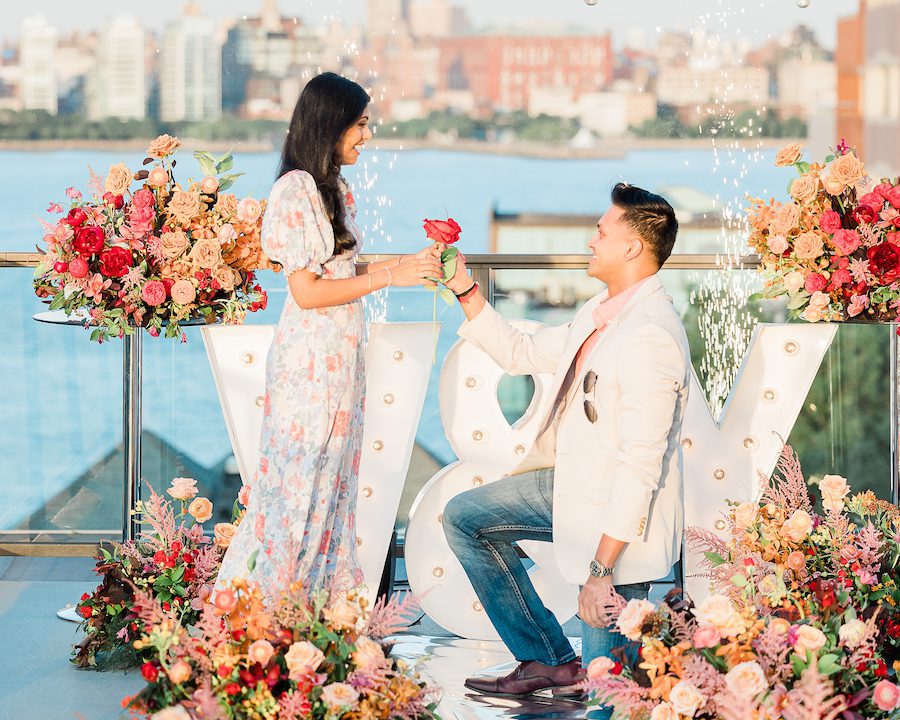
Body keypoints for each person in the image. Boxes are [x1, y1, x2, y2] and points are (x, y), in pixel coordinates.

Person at [441, 183, 690, 709]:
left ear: (631, 248)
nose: (591, 240)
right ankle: (549, 660)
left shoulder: (651, 335)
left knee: (609, 700)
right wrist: (464, 289)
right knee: (464, 518)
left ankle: (578, 667)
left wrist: (600, 576)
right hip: (575, 488)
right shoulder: (602, 313)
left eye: (601, 231)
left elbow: (640, 468)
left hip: (618, 528)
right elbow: (521, 351)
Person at [216, 72, 442, 597]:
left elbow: (339, 277)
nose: (366, 136)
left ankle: (312, 618)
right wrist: (391, 275)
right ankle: (265, 619)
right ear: (330, 124)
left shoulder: (331, 188)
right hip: (310, 365)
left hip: (339, 361)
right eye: (359, 124)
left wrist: (406, 265)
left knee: (330, 491)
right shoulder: (295, 190)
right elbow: (308, 292)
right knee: (296, 493)